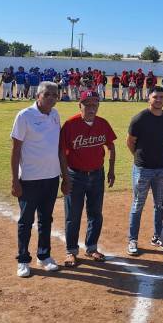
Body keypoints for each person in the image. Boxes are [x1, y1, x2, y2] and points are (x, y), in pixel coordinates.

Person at [10, 81, 70, 277]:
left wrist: (64, 176)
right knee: (26, 221)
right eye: (47, 94)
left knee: (46, 219)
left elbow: (59, 149)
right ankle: (23, 260)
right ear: (38, 96)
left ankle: (44, 256)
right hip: (29, 179)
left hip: (51, 178)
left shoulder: (55, 115)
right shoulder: (24, 116)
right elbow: (16, 150)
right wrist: (15, 180)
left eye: (55, 94)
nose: (52, 97)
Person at [59, 90, 117, 267]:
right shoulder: (70, 124)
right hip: (75, 175)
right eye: (87, 104)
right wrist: (64, 176)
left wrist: (111, 171)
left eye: (95, 104)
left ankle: (91, 248)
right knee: (73, 215)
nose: (91, 108)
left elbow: (111, 147)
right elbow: (61, 153)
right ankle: (71, 251)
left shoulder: (102, 123)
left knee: (95, 213)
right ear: (80, 105)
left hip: (97, 174)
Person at [126, 86, 163, 255]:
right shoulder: (139, 118)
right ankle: (132, 239)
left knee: (160, 205)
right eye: (155, 97)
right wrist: (140, 158)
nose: (159, 100)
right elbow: (130, 142)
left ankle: (157, 236)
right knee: (137, 205)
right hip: (143, 169)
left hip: (162, 169)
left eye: (161, 97)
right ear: (149, 98)